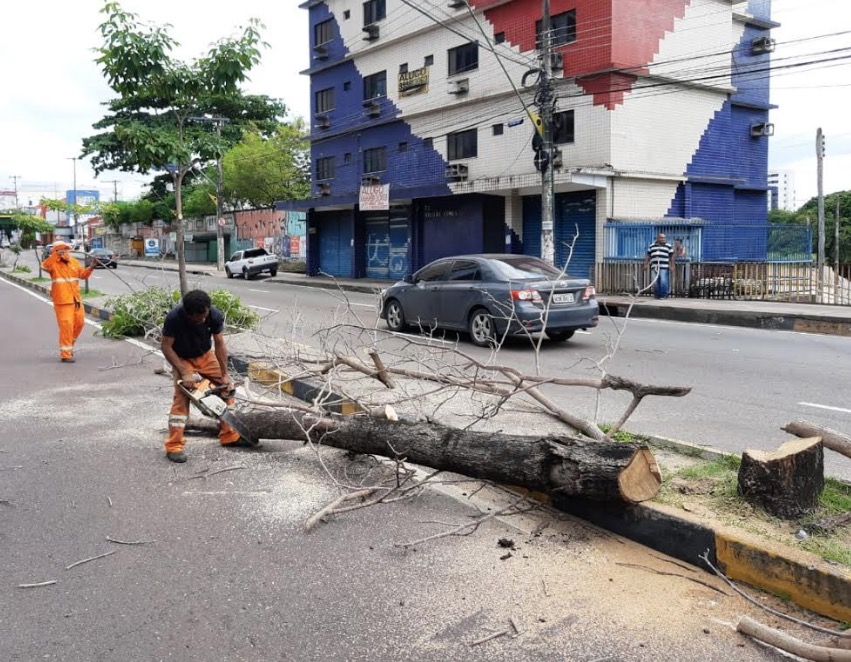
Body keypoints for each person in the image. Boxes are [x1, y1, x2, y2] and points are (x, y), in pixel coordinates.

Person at [160, 289, 255, 463]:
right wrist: (184, 371)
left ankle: (229, 435)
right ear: (189, 314)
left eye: (205, 316)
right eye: (199, 318)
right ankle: (174, 446)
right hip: (182, 358)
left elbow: (219, 343)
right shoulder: (174, 318)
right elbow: (166, 347)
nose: (203, 320)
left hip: (206, 355)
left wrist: (225, 375)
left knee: (227, 390)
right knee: (181, 401)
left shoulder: (213, 314)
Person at [41, 240, 96, 362]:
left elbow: (82, 275)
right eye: (62, 250)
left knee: (80, 323)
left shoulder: (74, 262)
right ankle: (65, 354)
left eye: (66, 250)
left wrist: (91, 267)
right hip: (62, 301)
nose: (65, 253)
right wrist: (56, 255)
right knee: (66, 326)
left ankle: (69, 345)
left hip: (75, 300)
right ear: (56, 252)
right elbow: (44, 266)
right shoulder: (53, 264)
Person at [643, 232, 675, 299]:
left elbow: (671, 256)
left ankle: (663, 295)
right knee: (654, 282)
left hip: (664, 267)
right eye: (661, 237)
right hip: (654, 267)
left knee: (663, 281)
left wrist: (672, 265)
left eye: (664, 238)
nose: (663, 239)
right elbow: (648, 256)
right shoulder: (652, 246)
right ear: (657, 238)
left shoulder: (668, 246)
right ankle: (657, 295)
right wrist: (645, 264)